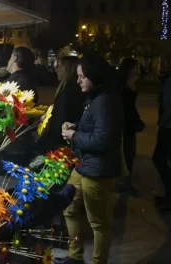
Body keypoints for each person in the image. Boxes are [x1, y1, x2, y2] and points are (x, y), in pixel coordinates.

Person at [60, 55, 123, 264]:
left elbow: (103, 141)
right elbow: (94, 126)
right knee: (69, 208)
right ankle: (75, 255)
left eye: (82, 77)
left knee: (98, 223)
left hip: (97, 171)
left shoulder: (105, 100)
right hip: (83, 165)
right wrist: (76, 126)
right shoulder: (96, 97)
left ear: (94, 77)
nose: (78, 81)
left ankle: (98, 261)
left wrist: (75, 136)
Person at [37, 56, 84, 154]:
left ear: (68, 69)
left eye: (59, 67)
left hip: (61, 146)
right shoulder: (78, 90)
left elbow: (58, 124)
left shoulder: (66, 93)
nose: (56, 70)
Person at [118, 58, 144, 192]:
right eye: (135, 67)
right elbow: (125, 108)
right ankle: (124, 183)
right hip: (124, 125)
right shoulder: (122, 87)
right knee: (126, 153)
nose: (137, 70)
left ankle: (126, 182)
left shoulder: (133, 83)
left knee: (130, 153)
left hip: (130, 125)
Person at [153, 70, 171, 212]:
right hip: (167, 126)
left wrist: (162, 124)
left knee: (159, 159)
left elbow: (168, 106)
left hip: (168, 128)